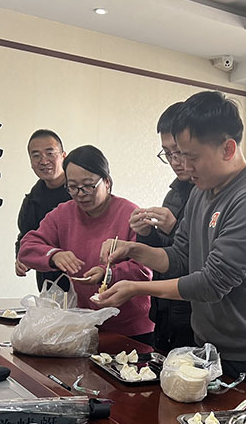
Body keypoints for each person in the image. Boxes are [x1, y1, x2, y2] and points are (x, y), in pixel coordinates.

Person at [94, 91, 246, 393]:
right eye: (178, 155)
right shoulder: (200, 191)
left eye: (192, 157)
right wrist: (133, 250)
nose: (184, 165)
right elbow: (180, 257)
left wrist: (137, 288)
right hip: (207, 343)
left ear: (228, 148)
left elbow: (212, 283)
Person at [18, 145, 154, 343]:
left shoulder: (130, 214)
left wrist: (108, 274)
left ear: (107, 182)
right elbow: (27, 247)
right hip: (85, 325)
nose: (80, 194)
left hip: (132, 327)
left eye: (88, 186)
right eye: (72, 187)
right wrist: (54, 255)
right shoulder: (64, 213)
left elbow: (144, 269)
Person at [128, 102, 195, 351]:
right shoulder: (174, 194)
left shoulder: (211, 195)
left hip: (192, 315)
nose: (175, 161)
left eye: (179, 152)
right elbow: (164, 255)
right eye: (167, 154)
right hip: (164, 311)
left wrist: (174, 228)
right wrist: (146, 234)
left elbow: (199, 260)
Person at [14, 129, 70, 291]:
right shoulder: (32, 200)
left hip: (86, 279)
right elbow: (26, 236)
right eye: (36, 155)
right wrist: (21, 257)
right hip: (50, 285)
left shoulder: (81, 193)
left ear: (63, 156)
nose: (44, 161)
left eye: (50, 153)